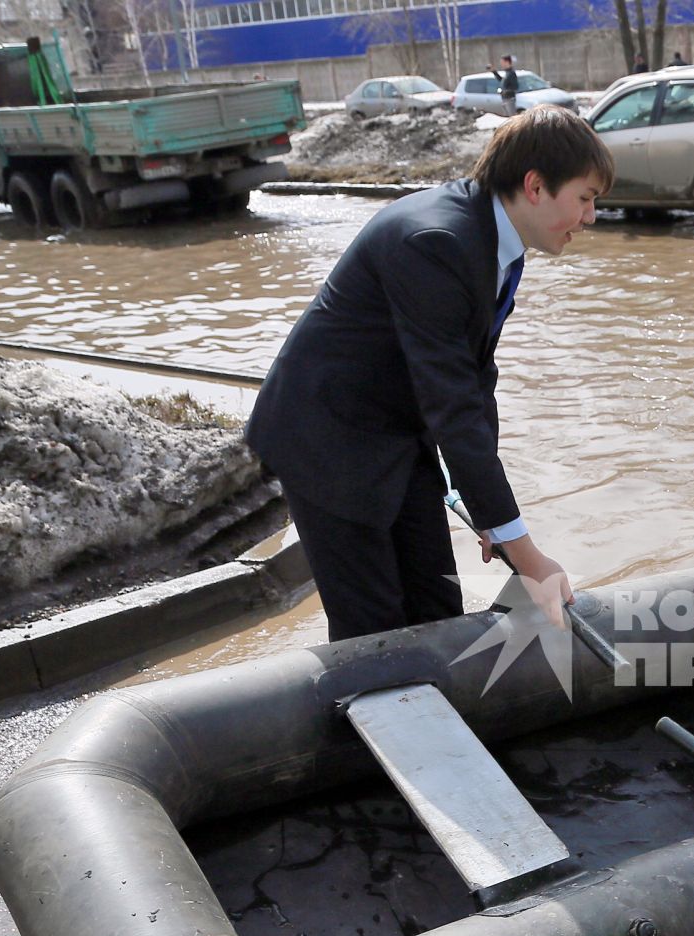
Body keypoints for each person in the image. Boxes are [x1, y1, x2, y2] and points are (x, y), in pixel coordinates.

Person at [245, 107, 612, 643]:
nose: (592, 217)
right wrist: (527, 554)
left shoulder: (496, 242)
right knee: (373, 629)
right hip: (328, 443)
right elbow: (453, 403)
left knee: (437, 604)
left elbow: (475, 377)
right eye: (585, 198)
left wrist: (491, 514)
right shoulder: (437, 242)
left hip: (396, 436)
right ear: (535, 186)